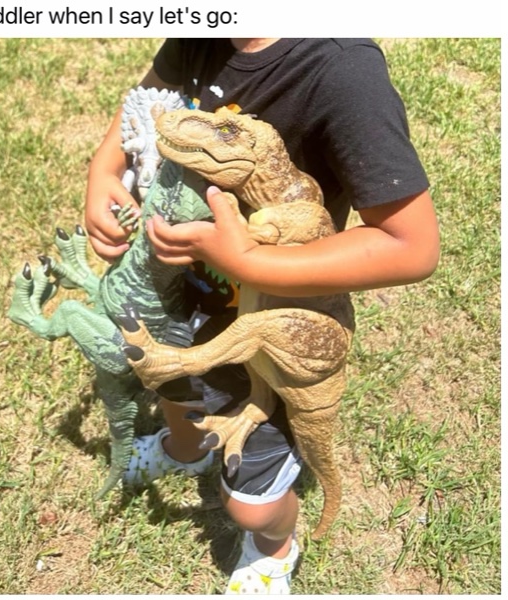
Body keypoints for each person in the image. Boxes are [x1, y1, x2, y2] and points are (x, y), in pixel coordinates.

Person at [85, 38, 440, 594]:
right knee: (171, 388)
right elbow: (150, 100)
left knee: (252, 506)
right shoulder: (201, 31)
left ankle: (274, 546)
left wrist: (247, 262)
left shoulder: (343, 70)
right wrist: (105, 169)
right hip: (185, 293)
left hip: (280, 328)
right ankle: (184, 449)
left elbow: (412, 248)